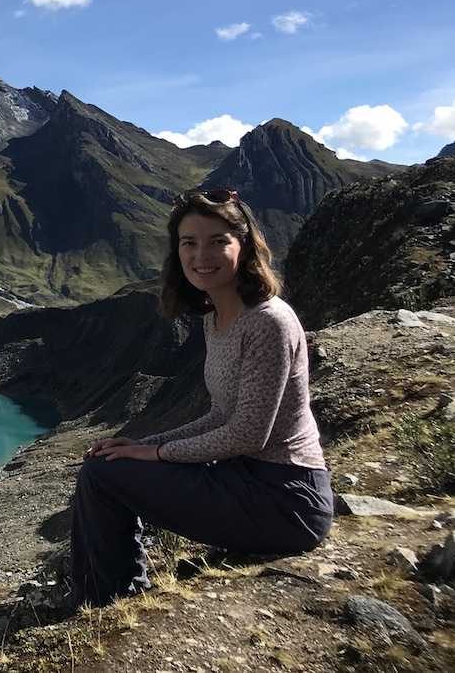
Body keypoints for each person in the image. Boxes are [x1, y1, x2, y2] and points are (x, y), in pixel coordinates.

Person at [66, 187, 334, 608]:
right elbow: (220, 415)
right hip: (248, 480)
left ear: (243, 246)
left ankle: (106, 601)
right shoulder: (217, 318)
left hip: (286, 500)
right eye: (188, 243)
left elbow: (248, 435)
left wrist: (156, 456)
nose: (200, 255)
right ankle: (103, 594)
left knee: (104, 476)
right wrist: (143, 445)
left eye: (217, 241)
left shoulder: (268, 322)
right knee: (105, 463)